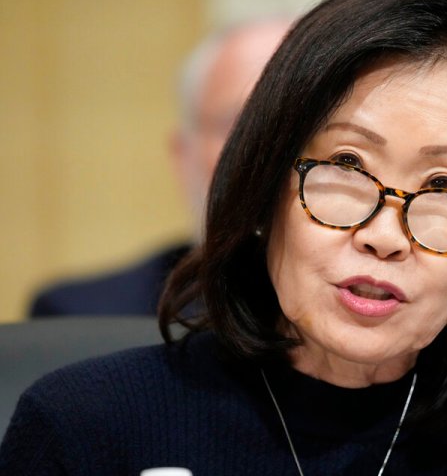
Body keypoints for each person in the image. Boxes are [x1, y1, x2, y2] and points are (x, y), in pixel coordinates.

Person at [0, 0, 447, 475]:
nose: (384, 236)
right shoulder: (85, 428)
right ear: (265, 189)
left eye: (443, 187)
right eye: (348, 165)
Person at [28, 18, 290, 316]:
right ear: (184, 156)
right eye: (239, 126)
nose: (270, 151)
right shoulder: (82, 317)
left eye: (298, 126)